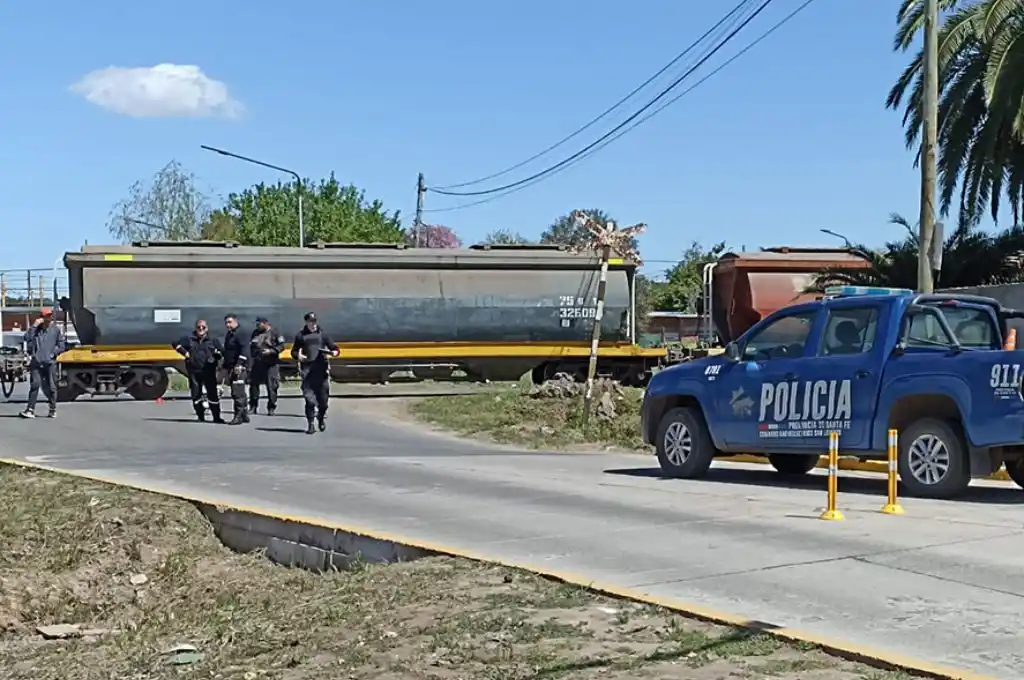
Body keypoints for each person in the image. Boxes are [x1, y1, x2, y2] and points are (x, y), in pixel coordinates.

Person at [291, 312, 339, 434]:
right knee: (309, 399)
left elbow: (335, 348)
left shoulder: (323, 334)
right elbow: (294, 351)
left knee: (323, 401)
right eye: (310, 322)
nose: (313, 324)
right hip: (307, 370)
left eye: (314, 321)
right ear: (306, 322)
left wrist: (334, 352)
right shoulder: (300, 335)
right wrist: (298, 356)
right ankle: (310, 424)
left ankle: (321, 417)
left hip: (321, 370)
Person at [173, 320, 224, 423]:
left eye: (203, 327)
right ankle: (200, 416)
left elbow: (221, 351)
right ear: (195, 328)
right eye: (199, 327)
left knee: (212, 394)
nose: (201, 329)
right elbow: (175, 343)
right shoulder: (189, 339)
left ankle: (216, 417)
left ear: (207, 328)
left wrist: (217, 356)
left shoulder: (213, 340)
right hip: (194, 370)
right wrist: (185, 353)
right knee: (196, 394)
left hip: (208, 370)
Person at [19, 308, 66, 419]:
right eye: (45, 316)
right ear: (41, 317)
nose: (48, 318)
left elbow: (62, 346)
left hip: (50, 363)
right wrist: (34, 326)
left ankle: (52, 409)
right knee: (35, 385)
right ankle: (30, 410)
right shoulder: (35, 330)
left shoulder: (55, 330)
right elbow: (26, 338)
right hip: (36, 363)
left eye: (49, 316)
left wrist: (53, 354)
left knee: (52, 387)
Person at [248, 316, 285, 415]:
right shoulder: (255, 333)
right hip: (258, 362)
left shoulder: (275, 332)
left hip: (271, 363)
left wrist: (271, 351)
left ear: (265, 323)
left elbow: (282, 346)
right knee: (254, 385)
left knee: (272, 386)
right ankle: (253, 406)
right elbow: (251, 346)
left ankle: (271, 407)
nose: (257, 326)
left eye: (259, 324)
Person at [222, 314, 251, 425]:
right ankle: (244, 414)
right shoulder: (230, 334)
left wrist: (239, 364)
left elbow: (245, 350)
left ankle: (238, 416)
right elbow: (228, 351)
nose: (227, 325)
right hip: (231, 367)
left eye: (229, 322)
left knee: (237, 391)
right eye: (226, 323)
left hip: (239, 367)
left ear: (235, 322)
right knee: (239, 391)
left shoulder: (241, 333)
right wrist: (225, 366)